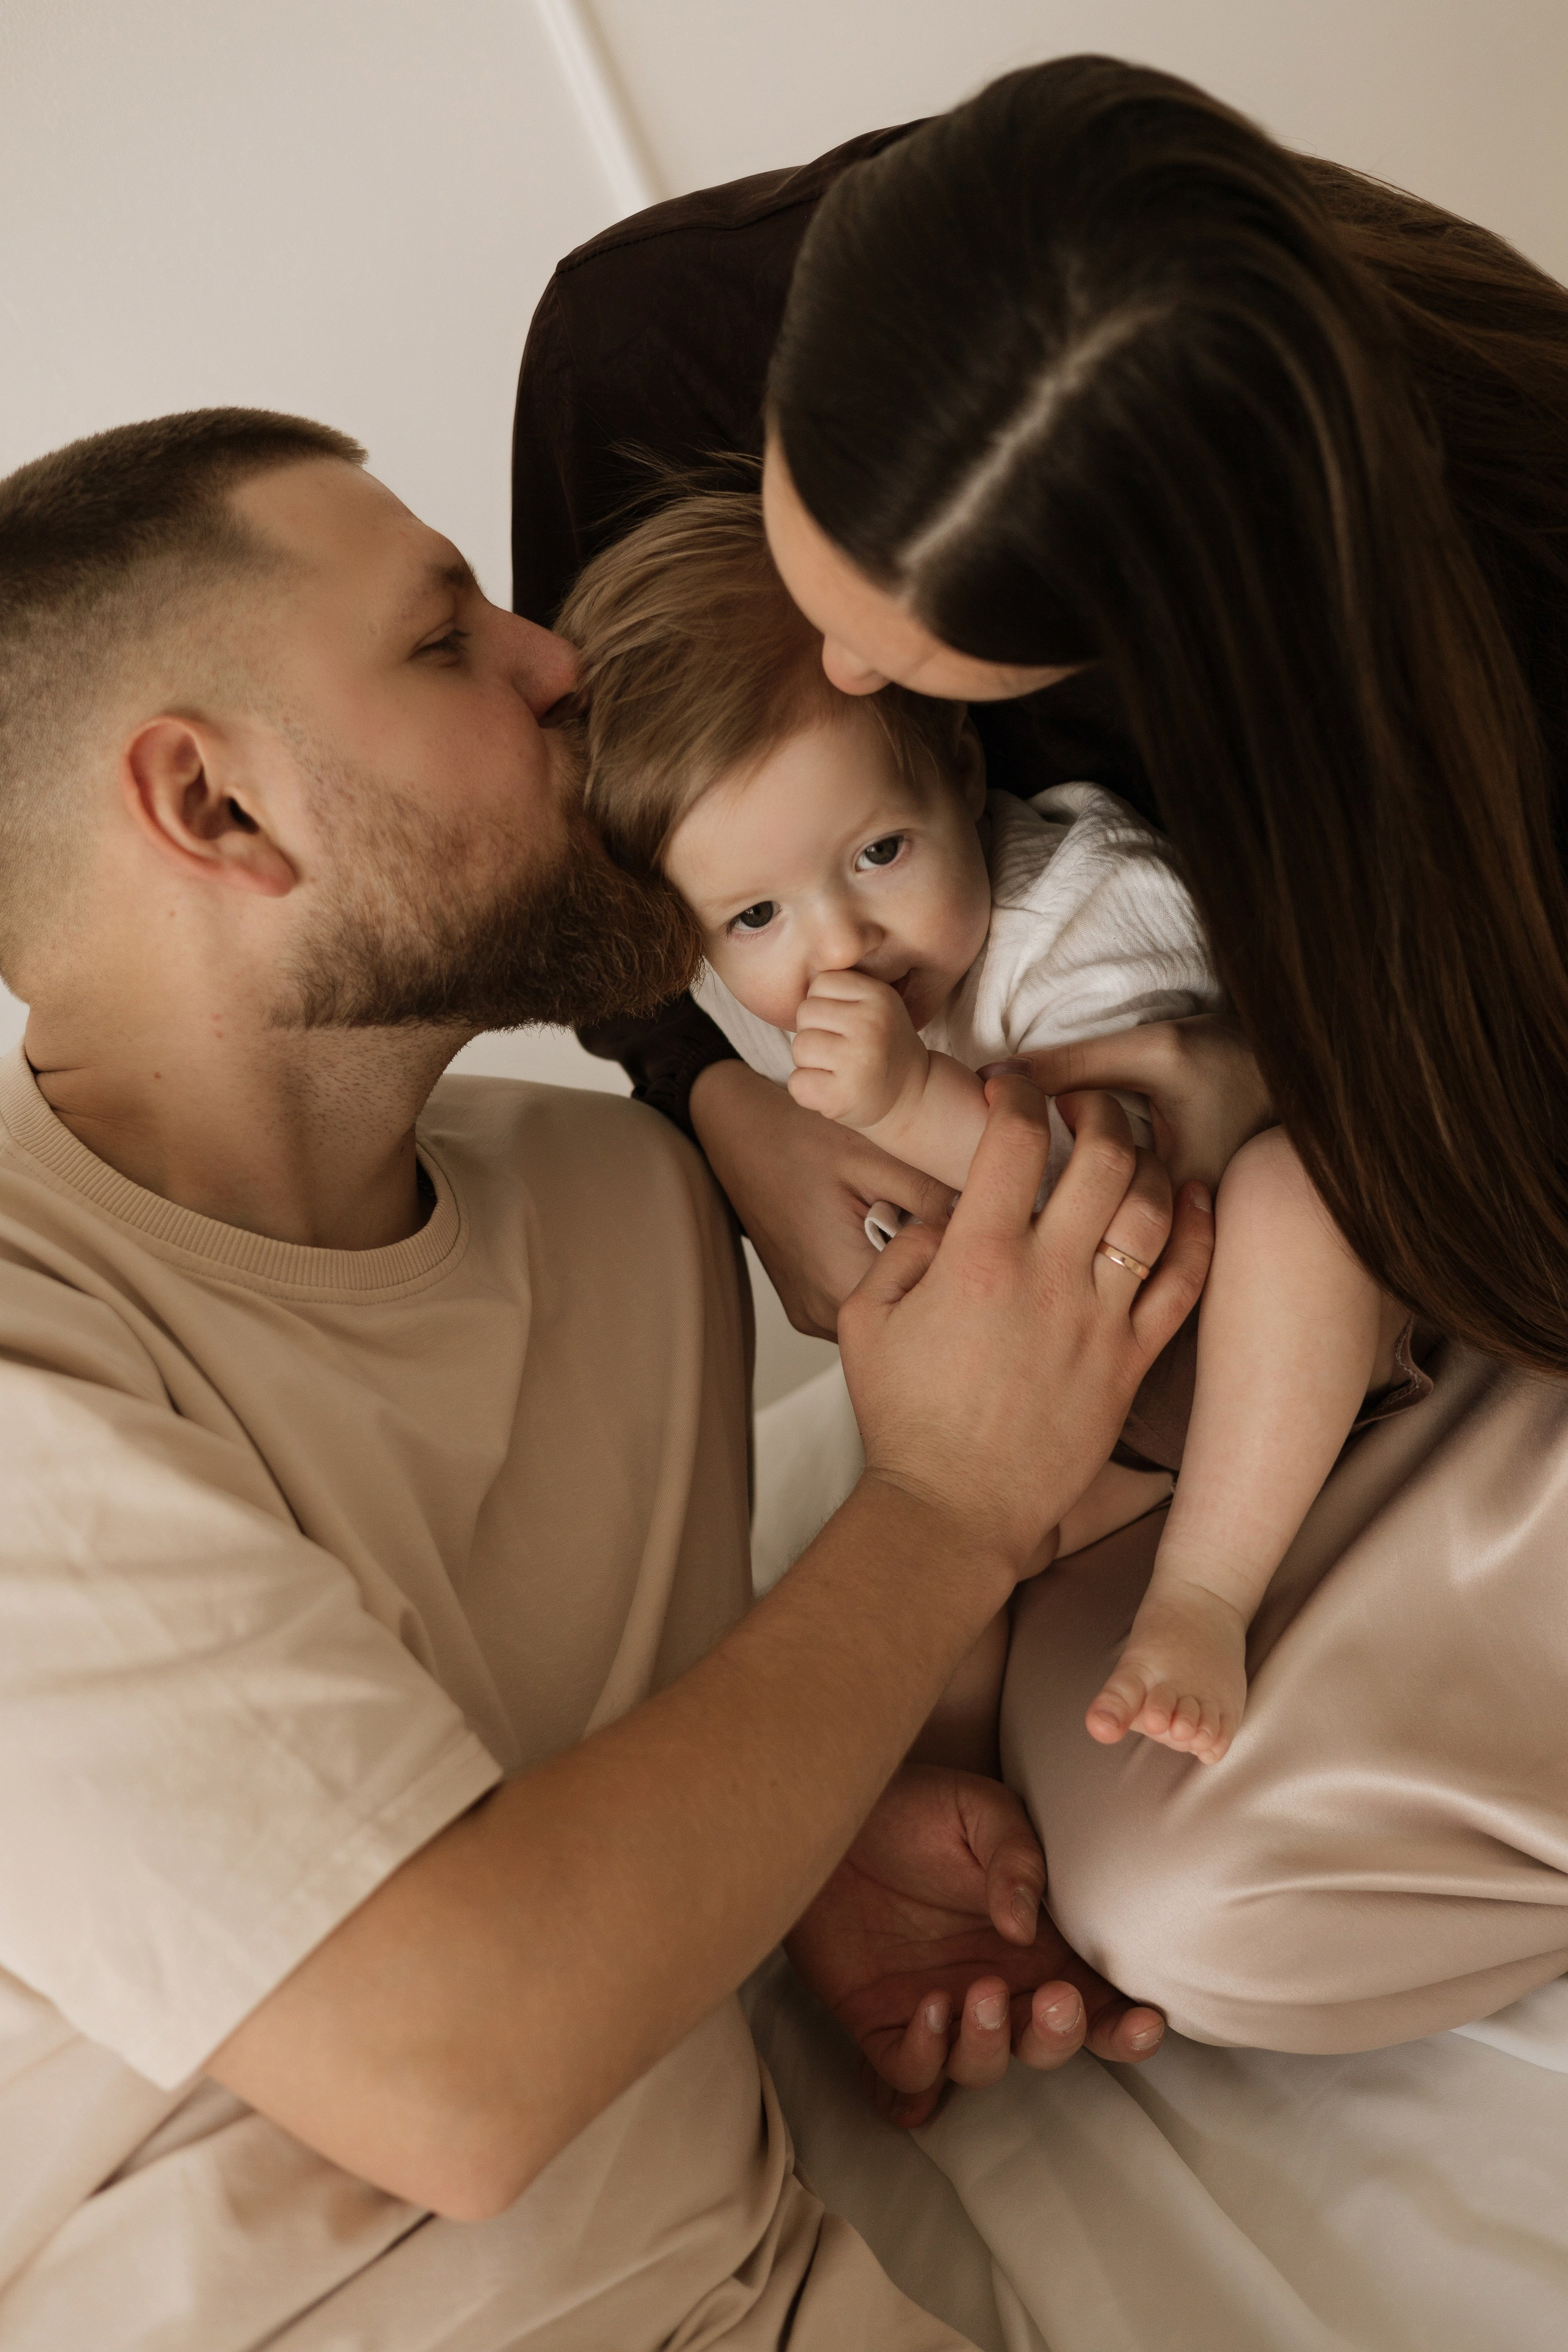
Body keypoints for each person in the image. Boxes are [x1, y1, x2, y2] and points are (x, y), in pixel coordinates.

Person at [0, 405, 1207, 2350]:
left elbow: (576, 1802)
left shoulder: (627, 1210)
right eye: (445, 633)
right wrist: (946, 1504)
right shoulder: (30, 1370)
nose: (557, 660)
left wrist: (796, 1865)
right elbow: (457, 2069)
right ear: (215, 810)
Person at [514, 56, 1568, 2068]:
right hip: (1143, 1367)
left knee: (1218, 1899)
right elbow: (628, 854)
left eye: (903, 695)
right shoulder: (660, 347)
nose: (820, 675)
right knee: (1145, 1870)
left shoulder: (1495, 583)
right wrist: (725, 1103)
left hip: (1438, 1265)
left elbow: (1249, 1166)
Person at [560, 486, 1417, 1762]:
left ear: (958, 772)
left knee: (1304, 1201)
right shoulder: (767, 1001)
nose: (838, 941)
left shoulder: (1084, 904)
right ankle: (941, 1779)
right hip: (1086, 1397)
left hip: (1247, 1333)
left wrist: (911, 1106)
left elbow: (1134, 1183)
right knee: (921, 1530)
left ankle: (1203, 1595)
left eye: (879, 853)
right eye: (754, 921)